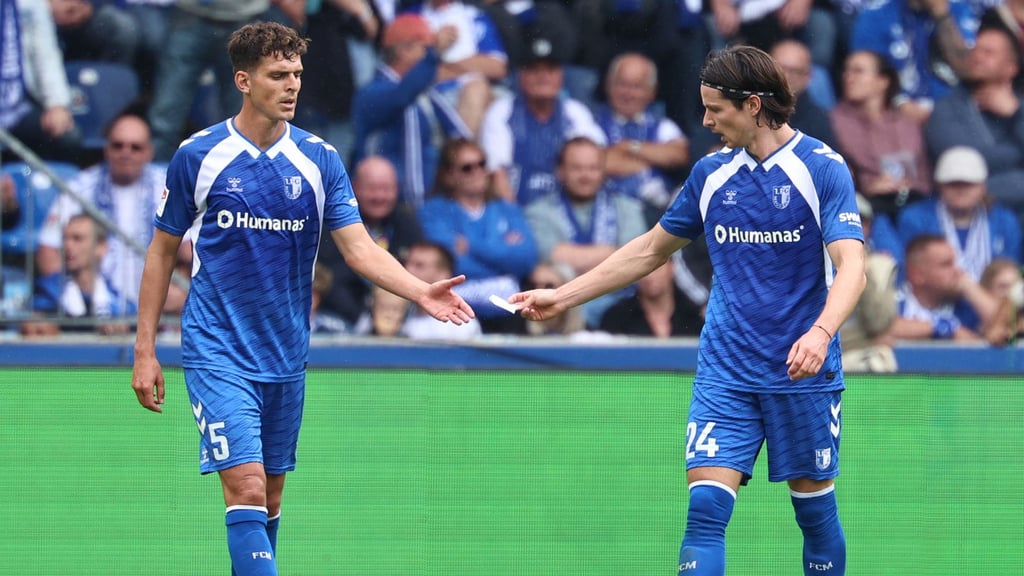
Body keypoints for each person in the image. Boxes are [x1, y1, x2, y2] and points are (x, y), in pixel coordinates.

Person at [129, 22, 473, 576]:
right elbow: (161, 252)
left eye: (296, 74)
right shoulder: (200, 155)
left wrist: (418, 290)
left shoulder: (319, 160)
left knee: (268, 499)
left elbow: (359, 248)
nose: (291, 85)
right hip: (217, 349)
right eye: (277, 75)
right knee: (244, 484)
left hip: (286, 353)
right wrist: (144, 350)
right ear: (243, 80)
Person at [510, 45, 866, 576]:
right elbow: (650, 249)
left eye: (714, 108)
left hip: (801, 369)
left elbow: (853, 265)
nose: (704, 120)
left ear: (751, 105)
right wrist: (562, 295)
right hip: (727, 368)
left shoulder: (821, 169)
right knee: (705, 511)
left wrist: (820, 333)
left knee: (814, 515)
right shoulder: (710, 174)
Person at [35, 113, 169, 312]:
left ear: (149, 152)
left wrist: (177, 289)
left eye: (135, 147)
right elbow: (49, 250)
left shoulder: (168, 186)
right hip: (95, 308)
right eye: (118, 145)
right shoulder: (79, 188)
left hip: (158, 306)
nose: (126, 152)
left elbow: (188, 251)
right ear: (106, 149)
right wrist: (73, 301)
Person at [478, 19, 607, 205]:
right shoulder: (502, 111)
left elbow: (598, 160)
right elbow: (497, 178)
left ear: (561, 76)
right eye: (534, 70)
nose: (543, 77)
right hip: (518, 211)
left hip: (566, 213)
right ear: (521, 76)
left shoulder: (574, 112)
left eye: (550, 70)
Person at [523, 137, 648, 327]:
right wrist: (611, 253)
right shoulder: (538, 211)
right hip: (564, 310)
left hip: (622, 306)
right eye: (576, 168)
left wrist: (573, 257)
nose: (585, 175)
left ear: (603, 171)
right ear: (560, 171)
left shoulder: (628, 208)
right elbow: (552, 255)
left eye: (593, 168)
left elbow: (633, 259)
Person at [350, 13, 472, 208]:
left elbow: (460, 138)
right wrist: (433, 56)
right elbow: (400, 97)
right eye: (425, 48)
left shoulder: (425, 94)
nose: (430, 56)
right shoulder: (371, 93)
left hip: (427, 204)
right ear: (403, 50)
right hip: (384, 205)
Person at [420, 137, 537, 333]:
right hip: (456, 312)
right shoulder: (433, 212)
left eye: (482, 164)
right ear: (448, 175)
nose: (477, 172)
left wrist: (471, 247)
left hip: (507, 313)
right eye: (467, 168)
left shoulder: (508, 210)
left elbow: (526, 259)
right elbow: (450, 266)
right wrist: (503, 254)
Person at [924, 23, 1024, 222]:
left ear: (1011, 68)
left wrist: (1016, 113)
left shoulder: (1020, 107)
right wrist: (1017, 155)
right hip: (966, 210)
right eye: (975, 49)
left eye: (988, 53)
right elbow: (964, 161)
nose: (977, 56)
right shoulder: (946, 107)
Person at [315, 155, 423, 330]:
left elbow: (418, 269)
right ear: (354, 187)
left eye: (386, 189)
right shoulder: (333, 222)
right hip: (343, 318)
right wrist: (360, 318)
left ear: (397, 189)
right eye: (372, 188)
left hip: (398, 319)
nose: (379, 196)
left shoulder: (407, 222)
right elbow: (329, 278)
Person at [830, 49, 932, 219]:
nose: (848, 77)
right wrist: (868, 189)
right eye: (846, 71)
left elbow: (919, 170)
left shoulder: (904, 121)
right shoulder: (836, 120)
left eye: (858, 71)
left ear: (883, 81)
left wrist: (904, 183)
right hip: (866, 207)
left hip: (914, 202)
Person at [896, 146, 1022, 281]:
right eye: (953, 184)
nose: (961, 191)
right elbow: (911, 271)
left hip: (992, 298)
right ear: (940, 186)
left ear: (983, 186)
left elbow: (1012, 270)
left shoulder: (1005, 220)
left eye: (969, 184)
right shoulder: (915, 218)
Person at [595, 52, 690, 223]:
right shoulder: (592, 121)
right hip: (610, 215)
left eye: (637, 86)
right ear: (608, 85)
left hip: (658, 214)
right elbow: (597, 164)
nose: (628, 93)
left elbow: (680, 155)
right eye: (622, 84)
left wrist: (627, 148)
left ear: (652, 92)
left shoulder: (662, 125)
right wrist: (652, 159)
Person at [851, 0, 977, 124]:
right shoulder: (876, 15)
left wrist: (941, 13)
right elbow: (864, 74)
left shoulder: (958, 9)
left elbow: (967, 69)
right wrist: (898, 102)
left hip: (952, 112)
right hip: (895, 112)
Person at [22, 213, 135, 336]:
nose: (68, 246)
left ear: (101, 246)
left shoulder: (120, 304)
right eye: (65, 238)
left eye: (77, 239)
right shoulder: (46, 292)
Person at [2, 0, 82, 164]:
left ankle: (46, 189)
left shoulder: (30, 4)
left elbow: (45, 53)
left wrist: (56, 104)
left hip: (18, 104)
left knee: (67, 137)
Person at [888, 233, 1006, 344]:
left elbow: (1006, 324)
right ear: (917, 275)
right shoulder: (894, 302)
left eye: (954, 263)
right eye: (946, 265)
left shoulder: (964, 303)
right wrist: (947, 329)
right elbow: (880, 328)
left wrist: (970, 287)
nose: (957, 271)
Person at [840, 194, 899, 373]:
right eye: (842, 219)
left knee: (880, 359)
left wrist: (859, 265)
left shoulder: (881, 266)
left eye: (860, 220)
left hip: (857, 356)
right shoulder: (806, 261)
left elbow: (879, 324)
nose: (851, 226)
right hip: (811, 353)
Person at [598, 259, 705, 338]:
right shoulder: (616, 317)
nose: (650, 276)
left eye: (657, 267)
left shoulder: (694, 318)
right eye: (644, 270)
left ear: (672, 267)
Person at [770, 39, 837, 147]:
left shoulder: (818, 120)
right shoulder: (745, 108)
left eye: (794, 71)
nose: (786, 76)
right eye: (780, 68)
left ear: (808, 77)